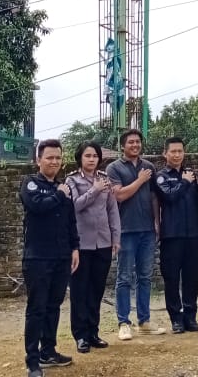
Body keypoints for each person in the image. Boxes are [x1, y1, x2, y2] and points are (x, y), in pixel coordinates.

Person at [19, 139, 80, 376]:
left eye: (57, 157)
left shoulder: (64, 188)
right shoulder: (30, 184)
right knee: (37, 308)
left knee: (54, 306)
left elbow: (70, 222)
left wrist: (75, 248)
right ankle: (32, 361)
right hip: (37, 258)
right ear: (38, 160)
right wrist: (59, 195)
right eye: (49, 158)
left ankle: (49, 350)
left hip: (61, 256)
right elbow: (37, 207)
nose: (54, 162)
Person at [106, 128, 166, 339]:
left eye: (138, 142)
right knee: (124, 277)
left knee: (145, 277)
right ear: (123, 146)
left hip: (147, 230)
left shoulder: (148, 166)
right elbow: (119, 196)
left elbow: (153, 198)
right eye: (130, 142)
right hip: (125, 230)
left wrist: (157, 222)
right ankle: (124, 322)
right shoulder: (113, 168)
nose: (135, 145)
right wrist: (140, 180)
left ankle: (145, 320)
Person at [66, 142, 120, 355]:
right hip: (81, 244)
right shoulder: (72, 180)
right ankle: (80, 335)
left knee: (96, 290)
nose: (91, 159)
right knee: (80, 291)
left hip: (103, 242)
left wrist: (116, 237)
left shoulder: (105, 179)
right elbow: (73, 206)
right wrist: (93, 190)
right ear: (80, 158)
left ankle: (93, 332)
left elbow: (112, 210)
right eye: (87, 155)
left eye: (95, 155)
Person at [153, 136, 198, 334]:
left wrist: (186, 180)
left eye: (180, 151)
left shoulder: (190, 173)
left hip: (192, 235)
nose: (177, 155)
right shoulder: (161, 176)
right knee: (172, 279)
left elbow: (196, 199)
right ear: (165, 153)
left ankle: (190, 317)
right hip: (171, 236)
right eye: (173, 151)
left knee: (191, 278)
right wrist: (183, 182)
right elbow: (170, 196)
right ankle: (176, 318)